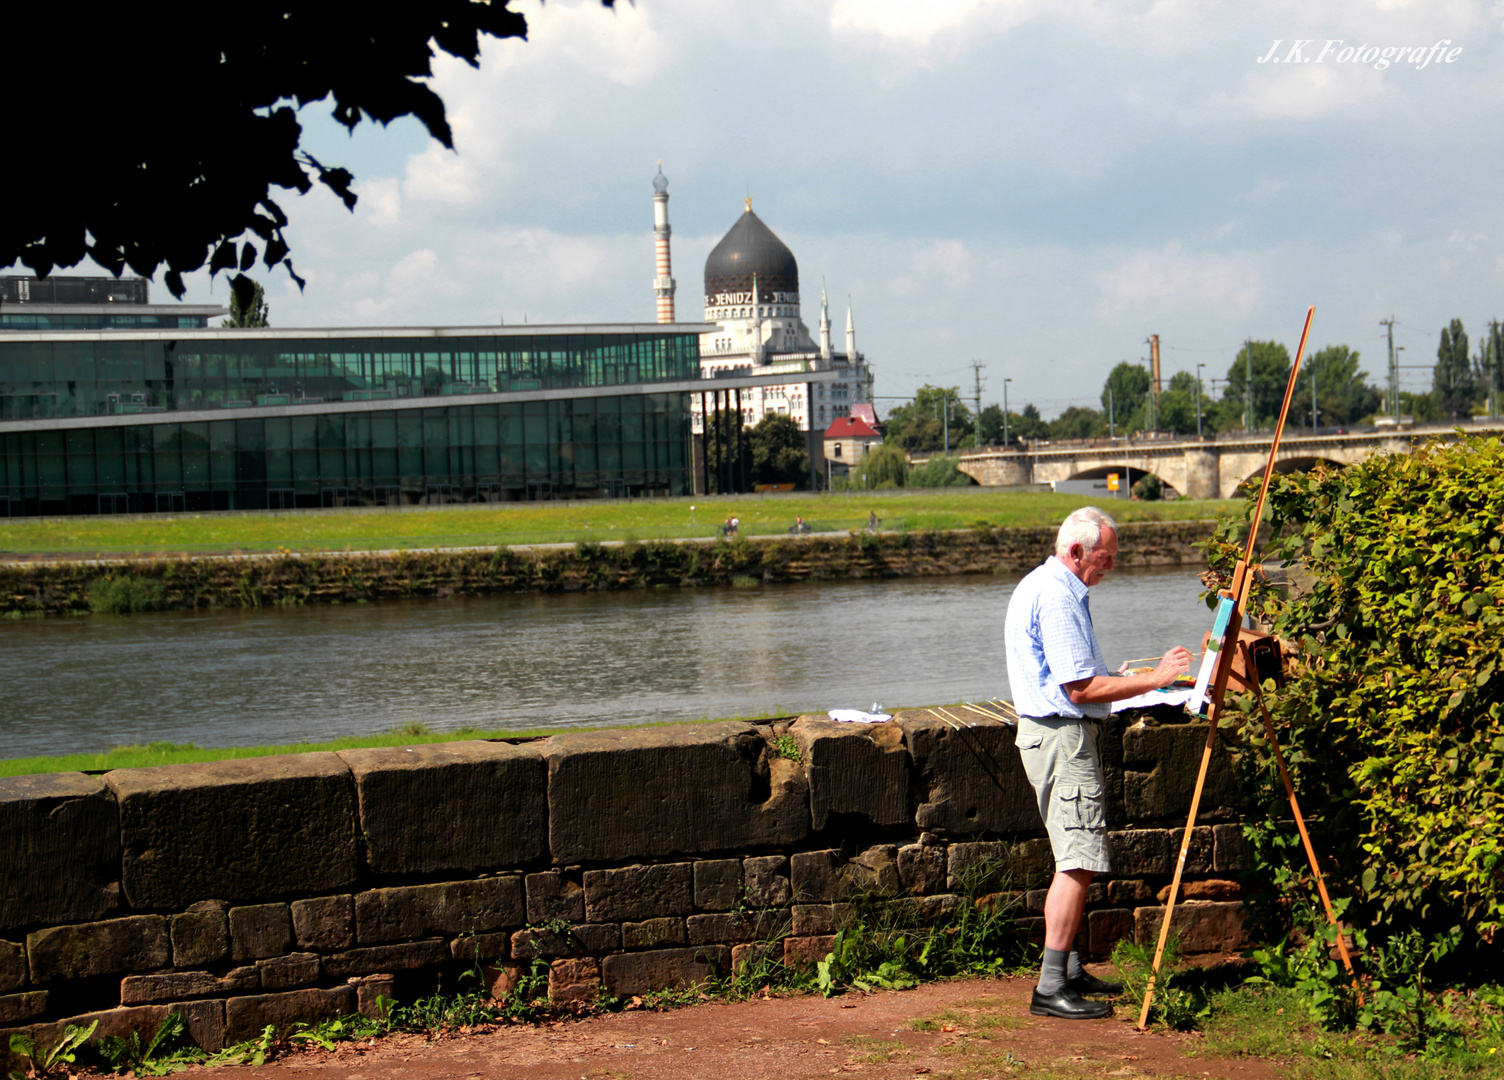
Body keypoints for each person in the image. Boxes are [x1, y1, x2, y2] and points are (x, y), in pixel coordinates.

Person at [1003, 506, 1192, 1020]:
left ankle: (1067, 971)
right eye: (1105, 559)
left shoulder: (1044, 584)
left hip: (1052, 734)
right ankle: (1049, 989)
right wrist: (1156, 679)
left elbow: (1075, 676)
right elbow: (1080, 688)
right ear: (1077, 551)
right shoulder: (1059, 596)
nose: (1109, 568)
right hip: (1061, 738)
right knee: (1079, 860)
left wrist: (1120, 676)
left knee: (1072, 853)